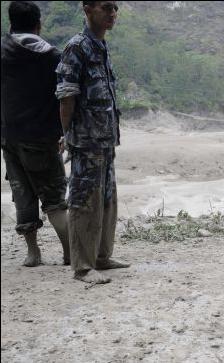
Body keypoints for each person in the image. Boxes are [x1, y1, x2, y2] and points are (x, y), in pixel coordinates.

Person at [56, 1, 128, 284]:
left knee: (107, 199)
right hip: (86, 142)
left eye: (115, 8)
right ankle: (83, 267)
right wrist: (67, 134)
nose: (112, 13)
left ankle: (101, 256)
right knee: (84, 201)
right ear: (87, 9)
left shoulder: (101, 46)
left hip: (105, 141)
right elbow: (66, 97)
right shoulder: (77, 47)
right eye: (106, 7)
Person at [1, 1, 69, 267]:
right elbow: (64, 97)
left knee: (22, 194)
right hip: (41, 137)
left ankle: (33, 253)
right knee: (54, 199)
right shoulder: (53, 56)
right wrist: (64, 132)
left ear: (10, 23)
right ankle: (68, 252)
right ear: (38, 24)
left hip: (9, 136)